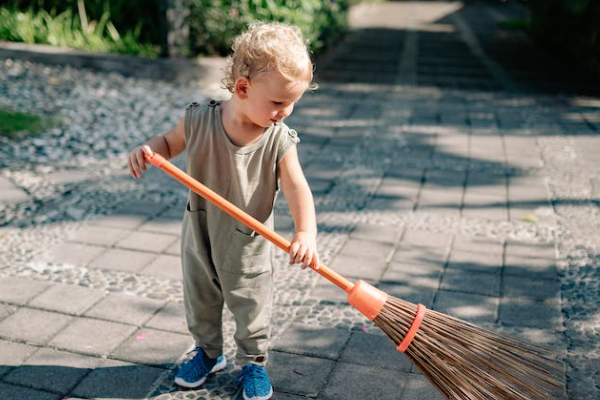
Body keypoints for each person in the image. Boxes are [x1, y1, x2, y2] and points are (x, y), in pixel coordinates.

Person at [127, 21, 319, 400]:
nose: (286, 111)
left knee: (251, 305)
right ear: (243, 88)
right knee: (200, 298)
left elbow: (297, 187)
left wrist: (305, 233)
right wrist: (148, 151)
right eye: (279, 102)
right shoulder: (199, 119)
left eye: (292, 102)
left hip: (248, 242)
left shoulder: (277, 139)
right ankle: (207, 352)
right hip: (200, 233)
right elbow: (167, 142)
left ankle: (253, 362)